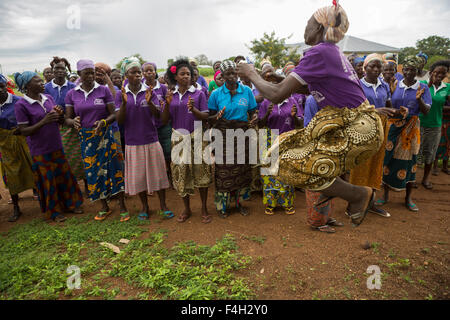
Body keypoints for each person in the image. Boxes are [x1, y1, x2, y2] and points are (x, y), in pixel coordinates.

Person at [237, 1, 384, 227]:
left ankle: (358, 195)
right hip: (363, 126)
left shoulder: (318, 52)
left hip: (357, 128)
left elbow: (276, 96)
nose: (304, 28)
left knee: (285, 160)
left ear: (319, 28)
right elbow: (315, 87)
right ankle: (333, 189)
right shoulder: (330, 51)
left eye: (307, 23)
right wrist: (284, 81)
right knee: (289, 153)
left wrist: (252, 74)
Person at [14, 71, 83, 222]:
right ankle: (54, 212)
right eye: (38, 82)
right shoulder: (21, 105)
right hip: (40, 150)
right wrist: (44, 121)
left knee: (64, 177)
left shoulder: (48, 98)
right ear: (27, 86)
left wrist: (63, 118)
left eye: (41, 81)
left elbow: (61, 121)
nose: (42, 83)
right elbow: (24, 131)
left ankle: (71, 204)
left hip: (57, 146)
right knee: (48, 181)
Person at [65, 59, 128, 221]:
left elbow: (113, 114)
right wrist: (73, 122)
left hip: (105, 135)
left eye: (92, 72)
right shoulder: (72, 94)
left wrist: (104, 122)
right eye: (87, 73)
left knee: (114, 168)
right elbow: (67, 118)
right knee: (93, 172)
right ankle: (104, 207)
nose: (91, 76)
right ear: (79, 74)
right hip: (87, 139)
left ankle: (122, 206)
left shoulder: (103, 91)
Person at [115, 57, 173, 220]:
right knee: (139, 177)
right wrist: (125, 104)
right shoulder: (121, 94)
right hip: (133, 141)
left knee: (159, 174)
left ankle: (163, 205)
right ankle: (145, 207)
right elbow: (119, 121)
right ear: (126, 74)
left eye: (139, 72)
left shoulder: (149, 91)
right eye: (133, 72)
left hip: (151, 138)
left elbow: (160, 118)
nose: (138, 75)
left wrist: (151, 103)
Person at [349, 53, 405, 218]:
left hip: (381, 128)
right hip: (362, 129)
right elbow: (352, 110)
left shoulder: (384, 85)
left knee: (376, 165)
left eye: (378, 66)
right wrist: (375, 110)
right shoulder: (356, 85)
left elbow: (388, 107)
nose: (375, 69)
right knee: (359, 166)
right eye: (372, 66)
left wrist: (398, 111)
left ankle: (371, 202)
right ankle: (352, 205)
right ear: (364, 68)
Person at [377, 56, 432, 212]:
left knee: (410, 162)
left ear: (417, 71)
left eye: (412, 70)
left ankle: (408, 198)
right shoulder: (394, 84)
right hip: (393, 127)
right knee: (388, 159)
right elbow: (389, 105)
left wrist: (419, 100)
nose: (408, 72)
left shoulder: (422, 87)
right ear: (403, 70)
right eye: (406, 69)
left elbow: (426, 111)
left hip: (411, 128)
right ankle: (385, 195)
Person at [161, 59, 212, 223]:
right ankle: (187, 209)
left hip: (196, 136)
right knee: (180, 173)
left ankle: (204, 208)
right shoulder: (171, 95)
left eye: (188, 74)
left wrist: (194, 110)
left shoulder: (199, 93)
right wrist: (167, 104)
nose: (186, 77)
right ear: (175, 76)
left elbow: (205, 116)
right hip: (178, 137)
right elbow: (164, 120)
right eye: (182, 74)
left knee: (201, 171)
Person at [208, 60, 258, 218]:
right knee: (223, 172)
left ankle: (238, 204)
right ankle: (222, 207)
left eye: (234, 73)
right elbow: (210, 117)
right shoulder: (216, 94)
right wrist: (216, 116)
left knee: (241, 171)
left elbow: (253, 111)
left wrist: (254, 118)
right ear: (222, 75)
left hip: (242, 135)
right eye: (228, 74)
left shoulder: (247, 91)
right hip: (223, 136)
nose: (232, 76)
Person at [44, 57, 86, 188]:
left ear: (67, 71)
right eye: (57, 68)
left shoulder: (73, 87)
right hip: (53, 126)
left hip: (72, 125)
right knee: (61, 159)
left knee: (78, 156)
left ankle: (86, 185)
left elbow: (79, 105)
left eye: (62, 68)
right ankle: (70, 187)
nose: (60, 71)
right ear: (53, 70)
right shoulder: (46, 88)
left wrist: (71, 119)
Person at [258, 94, 302, 216]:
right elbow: (260, 124)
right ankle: (270, 203)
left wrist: (295, 117)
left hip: (287, 140)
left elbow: (300, 123)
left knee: (286, 171)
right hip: (268, 140)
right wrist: (267, 113)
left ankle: (287, 203)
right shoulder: (266, 102)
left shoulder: (292, 101)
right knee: (269, 173)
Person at [0, 75, 36, 222]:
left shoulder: (18, 101)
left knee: (33, 167)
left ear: (5, 86)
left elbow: (30, 119)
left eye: (0, 86)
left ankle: (43, 199)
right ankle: (16, 207)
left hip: (24, 140)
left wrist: (21, 129)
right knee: (11, 172)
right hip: (5, 144)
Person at [419, 60, 450, 182]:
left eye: (443, 73)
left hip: (435, 125)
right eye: (437, 72)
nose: (440, 75)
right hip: (419, 124)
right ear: (431, 72)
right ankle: (412, 178)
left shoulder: (447, 88)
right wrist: (430, 84)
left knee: (430, 154)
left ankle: (426, 179)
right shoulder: (421, 84)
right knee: (416, 152)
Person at [142, 62, 172, 184]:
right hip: (148, 126)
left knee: (168, 151)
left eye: (152, 70)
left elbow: (168, 104)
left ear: (155, 72)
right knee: (153, 154)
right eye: (146, 71)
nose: (149, 73)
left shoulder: (163, 88)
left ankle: (169, 173)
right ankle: (156, 178)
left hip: (164, 125)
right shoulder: (140, 87)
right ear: (143, 73)